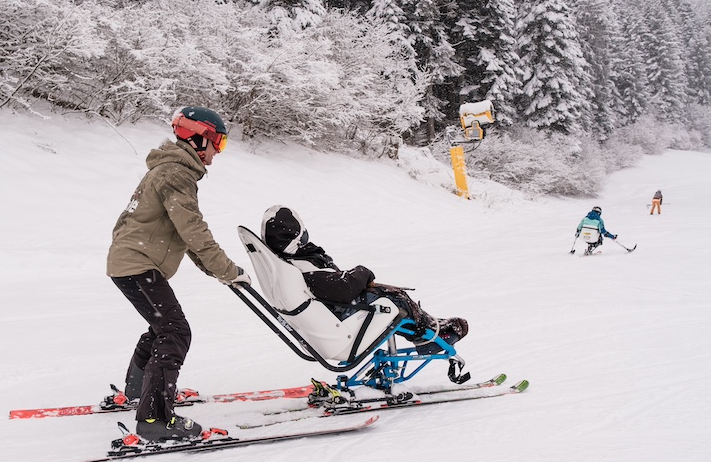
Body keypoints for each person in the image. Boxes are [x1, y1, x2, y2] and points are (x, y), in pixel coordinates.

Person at [107, 106, 250, 443]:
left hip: (133, 263)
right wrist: (228, 269)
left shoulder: (171, 169)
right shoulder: (176, 173)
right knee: (174, 332)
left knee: (163, 328)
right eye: (219, 143)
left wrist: (219, 272)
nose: (218, 152)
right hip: (137, 264)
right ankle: (155, 418)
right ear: (200, 138)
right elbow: (194, 230)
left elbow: (186, 236)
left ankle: (137, 389)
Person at [260, 205, 467, 355]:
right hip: (341, 327)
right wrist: (363, 272)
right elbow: (341, 288)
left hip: (325, 321)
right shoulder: (301, 266)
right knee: (395, 298)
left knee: (387, 295)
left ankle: (428, 328)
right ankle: (431, 337)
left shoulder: (284, 263)